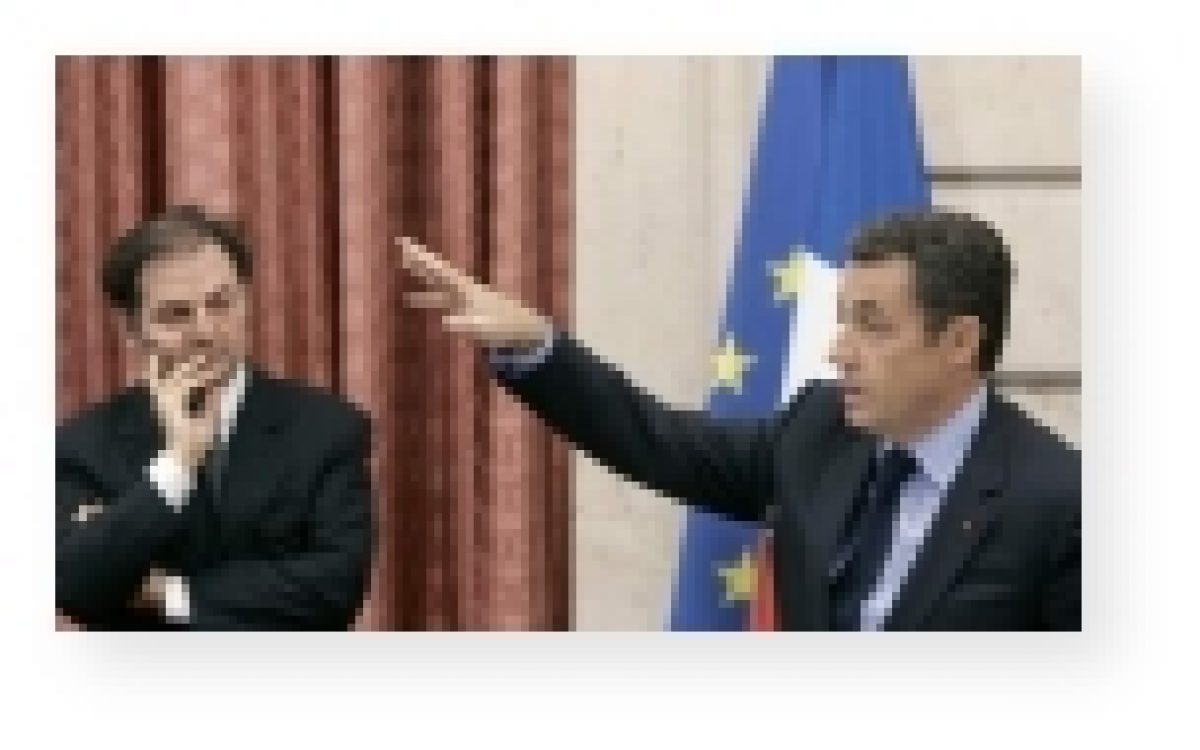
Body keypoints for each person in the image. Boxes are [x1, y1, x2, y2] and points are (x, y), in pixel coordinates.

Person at [397, 209, 1080, 630]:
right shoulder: (819, 429)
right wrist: (536, 346)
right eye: (843, 320)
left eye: (872, 326)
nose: (839, 351)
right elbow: (659, 441)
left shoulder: (1059, 499)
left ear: (960, 341)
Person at [57, 205, 373, 630]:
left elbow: (336, 588)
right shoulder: (81, 445)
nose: (206, 331)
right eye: (177, 314)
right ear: (133, 331)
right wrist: (177, 466)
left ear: (246, 302)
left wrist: (170, 593)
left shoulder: (327, 428)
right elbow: (74, 587)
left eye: (221, 303)